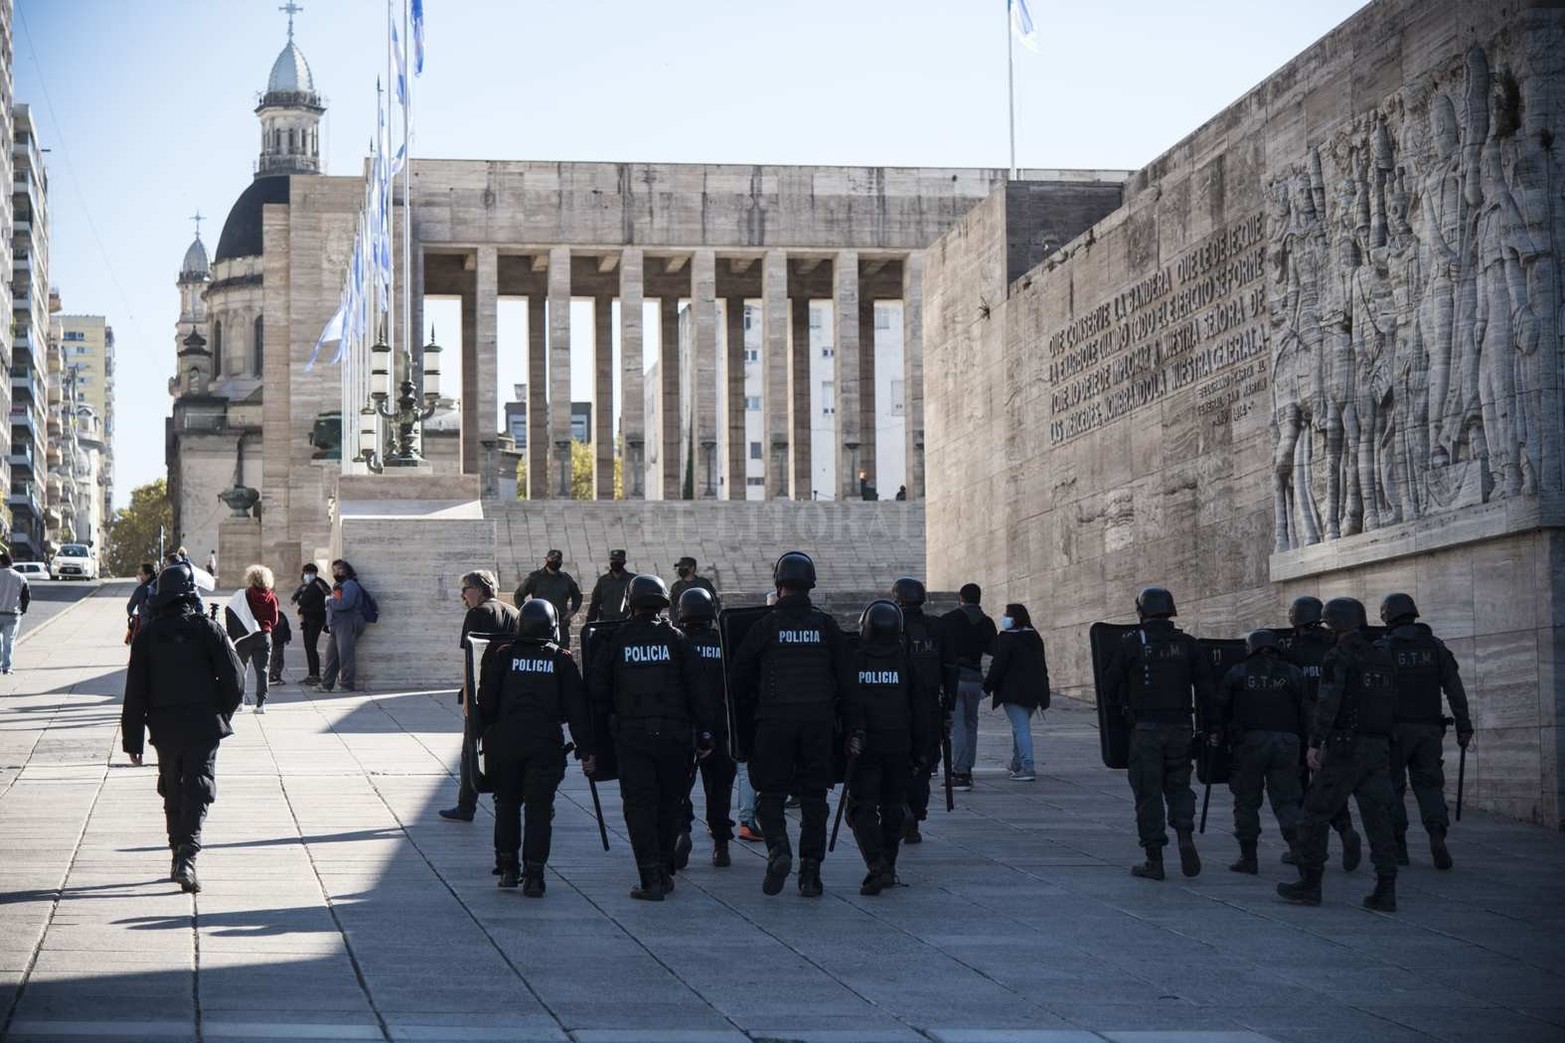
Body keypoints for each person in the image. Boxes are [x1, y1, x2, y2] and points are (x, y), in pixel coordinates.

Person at [730, 551, 849, 898]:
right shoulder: (826, 626)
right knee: (814, 799)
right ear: (810, 585)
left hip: (774, 722)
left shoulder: (765, 626)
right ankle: (810, 874)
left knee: (770, 795)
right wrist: (851, 726)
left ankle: (778, 849)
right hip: (817, 724)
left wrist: (750, 716)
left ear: (778, 585)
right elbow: (847, 680)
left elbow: (738, 676)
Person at [121, 561, 244, 894]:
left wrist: (133, 739)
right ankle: (187, 857)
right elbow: (236, 681)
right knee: (198, 787)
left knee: (172, 787)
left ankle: (178, 851)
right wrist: (222, 713)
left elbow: (135, 691)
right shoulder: (209, 630)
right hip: (203, 724)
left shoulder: (148, 636)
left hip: (164, 727)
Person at [587, 573, 709, 900]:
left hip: (633, 736)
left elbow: (596, 691)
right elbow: (699, 692)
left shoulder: (616, 641)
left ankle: (651, 876)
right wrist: (706, 733)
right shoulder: (678, 641)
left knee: (639, 806)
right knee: (671, 803)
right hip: (674, 736)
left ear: (631, 603)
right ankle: (666, 870)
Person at [1277, 597, 1400, 911]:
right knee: (1378, 820)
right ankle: (1386, 889)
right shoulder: (1381, 656)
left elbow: (1328, 702)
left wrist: (1315, 743)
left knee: (1315, 814)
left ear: (1333, 622)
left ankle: (1310, 884)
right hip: (1378, 747)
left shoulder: (1339, 655)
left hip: (1346, 746)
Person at [477, 598, 589, 894]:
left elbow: (485, 704)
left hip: (506, 743)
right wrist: (587, 748)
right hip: (544, 744)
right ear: (553, 628)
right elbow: (576, 709)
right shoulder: (560, 659)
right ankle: (535, 875)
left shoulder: (503, 656)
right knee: (540, 810)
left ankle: (508, 868)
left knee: (506, 804)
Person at [1103, 586, 1214, 880]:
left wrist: (1124, 705)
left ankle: (1154, 859)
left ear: (1141, 612)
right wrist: (1211, 728)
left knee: (1147, 793)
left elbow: (1110, 685)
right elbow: (1206, 690)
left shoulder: (1131, 645)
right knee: (1179, 785)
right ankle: (1185, 834)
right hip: (1180, 726)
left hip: (1146, 729)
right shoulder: (1188, 644)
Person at [1378, 593, 1472, 870]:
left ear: (1387, 617)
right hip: (1430, 729)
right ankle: (1435, 834)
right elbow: (1455, 689)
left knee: (1393, 787)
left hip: (1395, 731)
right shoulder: (1435, 647)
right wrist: (1464, 726)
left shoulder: (1383, 649)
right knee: (1429, 785)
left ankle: (1399, 847)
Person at [845, 600, 929, 895]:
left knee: (861, 807)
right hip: (899, 744)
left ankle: (876, 864)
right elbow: (920, 708)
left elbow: (845, 704)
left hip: (865, 746)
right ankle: (889, 865)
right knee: (893, 806)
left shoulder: (854, 661)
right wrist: (922, 752)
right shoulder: (906, 662)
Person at [1213, 629, 1306, 874]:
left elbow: (1220, 707)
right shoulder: (1293, 673)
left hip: (1250, 743)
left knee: (1246, 801)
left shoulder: (1238, 672)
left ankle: (1248, 857)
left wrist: (1216, 732)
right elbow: (1307, 709)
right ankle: (1299, 850)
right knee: (1287, 799)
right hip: (1287, 742)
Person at [1282, 596, 1364, 871]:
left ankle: (1305, 850)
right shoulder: (1336, 645)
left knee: (1305, 792)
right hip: (1339, 729)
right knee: (1330, 786)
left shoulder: (1293, 651)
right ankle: (1345, 831)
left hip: (1306, 729)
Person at [440, 570, 521, 823]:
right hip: (508, 693)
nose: (463, 595)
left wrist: (467, 698)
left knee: (470, 752)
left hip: (481, 692)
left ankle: (466, 806)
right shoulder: (514, 613)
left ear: (480, 588)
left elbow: (470, 659)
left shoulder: (477, 614)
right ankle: (506, 797)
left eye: (466, 589)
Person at [674, 587, 737, 868]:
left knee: (678, 786)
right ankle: (721, 844)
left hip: (684, 726)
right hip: (719, 726)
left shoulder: (676, 642)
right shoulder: (723, 643)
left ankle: (682, 831)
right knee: (720, 788)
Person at [892, 577, 956, 842]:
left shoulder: (890, 624)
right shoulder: (936, 627)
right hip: (930, 710)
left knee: (895, 764)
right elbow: (950, 670)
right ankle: (915, 817)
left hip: (894, 710)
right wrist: (949, 708)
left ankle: (900, 810)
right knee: (923, 766)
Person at [983, 603, 1050, 782]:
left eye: (1006, 614)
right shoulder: (1034, 636)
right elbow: (1042, 667)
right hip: (1033, 691)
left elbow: (998, 666)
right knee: (1019, 728)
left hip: (1012, 692)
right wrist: (1045, 694)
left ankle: (1028, 766)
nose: (1004, 618)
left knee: (1021, 729)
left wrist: (986, 688)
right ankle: (1017, 763)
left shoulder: (1006, 639)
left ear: (1014, 618)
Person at [942, 584, 996, 791]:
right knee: (971, 724)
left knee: (958, 726)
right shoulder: (987, 622)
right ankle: (968, 769)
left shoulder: (949, 620)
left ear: (960, 597)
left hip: (955, 678)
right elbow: (993, 650)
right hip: (975, 678)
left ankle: (960, 772)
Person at [516, 550, 583, 649]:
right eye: (552, 559)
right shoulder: (535, 578)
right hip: (539, 622)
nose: (554, 561)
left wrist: (571, 612)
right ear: (546, 560)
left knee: (561, 654)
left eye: (557, 559)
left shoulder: (566, 579)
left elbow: (577, 596)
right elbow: (519, 595)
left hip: (560, 623)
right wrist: (527, 613)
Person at [237, 565, 279, 713]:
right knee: (262, 671)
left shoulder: (245, 595)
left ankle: (239, 702)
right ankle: (261, 704)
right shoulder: (272, 597)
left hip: (245, 635)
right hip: (263, 635)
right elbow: (274, 620)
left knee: (242, 669)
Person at [320, 559, 366, 692]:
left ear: (346, 570)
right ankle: (326, 684)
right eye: (334, 570)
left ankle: (347, 684)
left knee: (346, 656)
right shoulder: (339, 585)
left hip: (347, 623)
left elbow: (345, 604)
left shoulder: (350, 585)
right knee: (331, 657)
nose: (337, 572)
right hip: (336, 625)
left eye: (340, 569)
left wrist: (329, 602)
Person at [291, 563, 332, 685]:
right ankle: (311, 674)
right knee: (308, 647)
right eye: (306, 573)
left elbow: (304, 600)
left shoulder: (317, 584)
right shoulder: (306, 585)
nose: (307, 575)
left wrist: (301, 599)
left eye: (310, 573)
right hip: (307, 620)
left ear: (314, 573)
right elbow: (296, 598)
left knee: (311, 647)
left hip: (315, 619)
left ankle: (315, 675)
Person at [0, 553, 31, 674]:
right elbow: (26, 597)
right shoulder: (20, 577)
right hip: (13, 614)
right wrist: (22, 610)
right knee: (9, 641)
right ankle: (6, 667)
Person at [586, 549, 633, 624]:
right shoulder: (603, 581)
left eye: (618, 560)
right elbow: (595, 604)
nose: (615, 562)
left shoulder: (632, 580)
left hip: (626, 624)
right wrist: (589, 623)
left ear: (624, 562)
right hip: (607, 624)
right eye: (613, 559)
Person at [125, 563, 157, 645]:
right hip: (159, 623)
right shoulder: (159, 586)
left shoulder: (141, 589)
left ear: (148, 575)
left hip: (144, 624)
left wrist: (133, 616)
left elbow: (130, 608)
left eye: (141, 574)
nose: (139, 576)